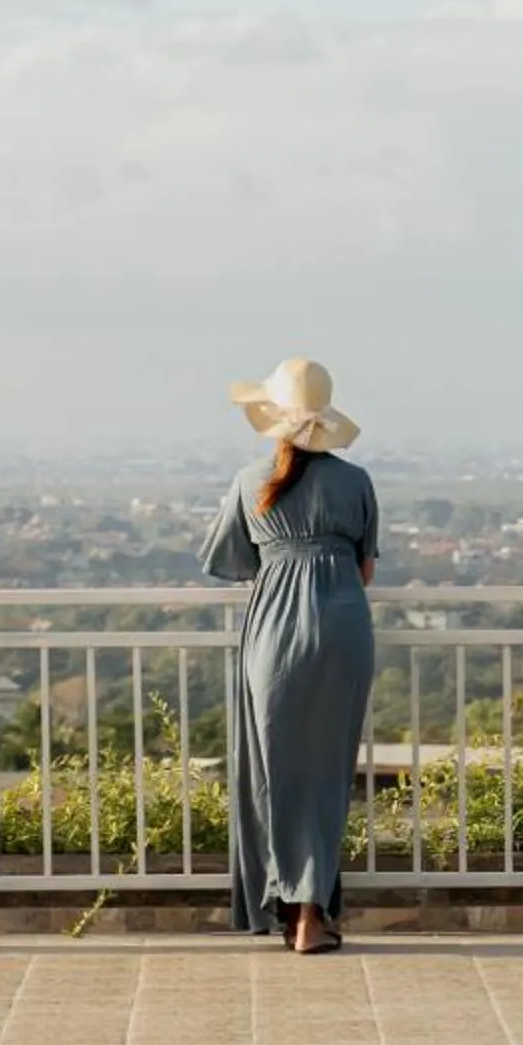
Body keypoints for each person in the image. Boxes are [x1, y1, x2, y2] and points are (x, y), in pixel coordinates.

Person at [199, 357, 379, 955]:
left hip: (273, 630)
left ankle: (281, 902)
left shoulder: (250, 481)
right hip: (343, 629)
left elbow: (226, 560)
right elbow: (366, 568)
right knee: (328, 774)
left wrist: (283, 559)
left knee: (272, 771)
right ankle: (311, 915)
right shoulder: (355, 483)